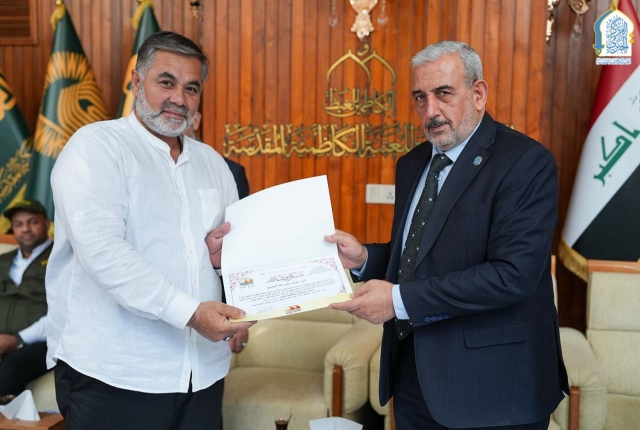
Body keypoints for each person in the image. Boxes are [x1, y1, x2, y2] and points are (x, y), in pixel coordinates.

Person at [326, 41, 569, 430]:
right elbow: (420, 258)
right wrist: (365, 259)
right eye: (420, 97)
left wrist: (398, 301)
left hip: (494, 390)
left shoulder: (525, 162)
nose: (430, 111)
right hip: (414, 378)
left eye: (443, 93)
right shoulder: (412, 164)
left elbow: (511, 276)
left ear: (478, 94)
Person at [46, 31, 254, 430]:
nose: (179, 98)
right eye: (166, 82)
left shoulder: (213, 164)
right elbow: (104, 253)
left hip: (202, 373)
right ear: (137, 81)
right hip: (116, 374)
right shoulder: (96, 147)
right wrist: (191, 313)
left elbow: (224, 254)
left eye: (191, 88)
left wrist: (224, 266)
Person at [185, 111, 249, 354]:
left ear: (196, 120)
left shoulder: (228, 171)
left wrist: (240, 310)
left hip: (215, 315)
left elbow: (236, 246)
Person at [0, 199, 52, 396]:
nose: (25, 229)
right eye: (18, 224)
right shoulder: (3, 260)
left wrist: (18, 339)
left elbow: (65, 312)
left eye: (33, 222)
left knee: (7, 373)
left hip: (39, 342)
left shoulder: (62, 259)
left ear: (47, 224)